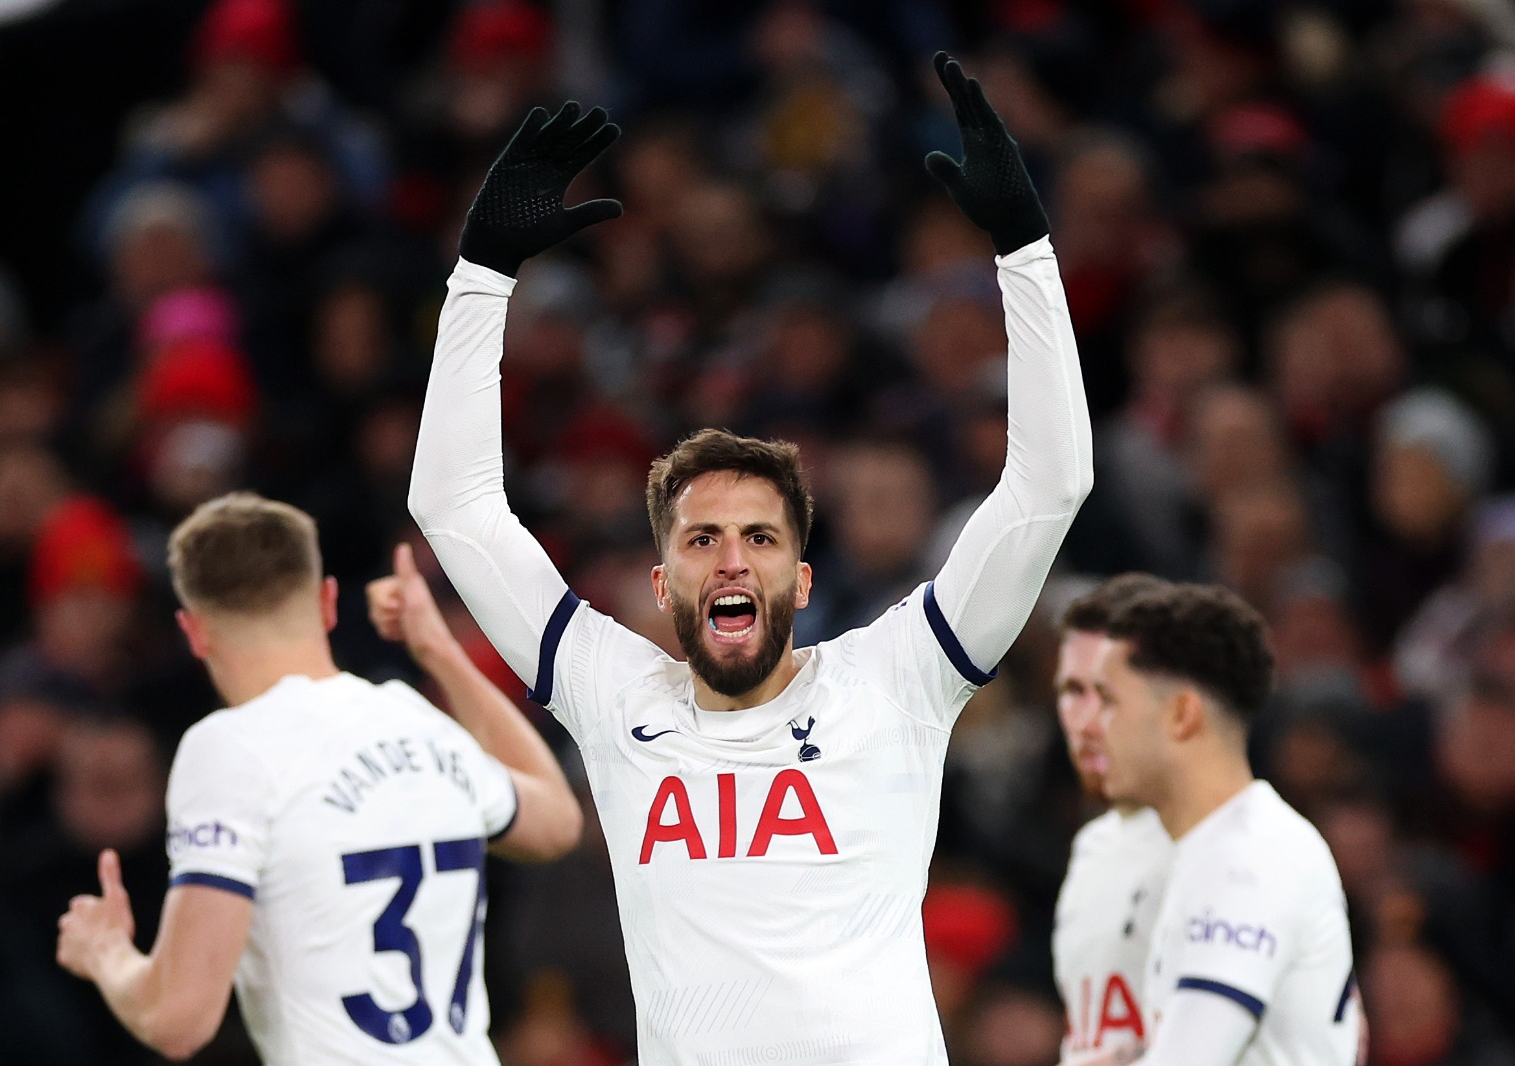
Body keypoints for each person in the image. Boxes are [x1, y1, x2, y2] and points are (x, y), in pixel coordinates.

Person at [409, 51, 1093, 1063]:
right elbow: (452, 504)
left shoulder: (900, 676)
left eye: (759, 537)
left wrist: (1025, 251)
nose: (730, 560)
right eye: (701, 539)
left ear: (801, 580)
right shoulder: (612, 691)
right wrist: (481, 279)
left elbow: (1049, 485)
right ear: (661, 583)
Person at [55, 494, 582, 1064]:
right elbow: (556, 821)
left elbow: (179, 1019)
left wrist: (107, 952)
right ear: (328, 602)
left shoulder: (229, 747)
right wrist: (440, 651)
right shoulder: (416, 721)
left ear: (194, 632)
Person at [1081, 583, 1360, 1065]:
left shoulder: (1247, 862)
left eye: (1109, 701)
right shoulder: (1218, 848)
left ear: (1182, 715)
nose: (1089, 726)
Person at [1051, 574, 1175, 1062]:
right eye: (1072, 691)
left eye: (1106, 693)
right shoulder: (1093, 848)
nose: (1084, 720)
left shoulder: (1238, 841)